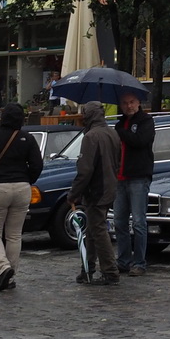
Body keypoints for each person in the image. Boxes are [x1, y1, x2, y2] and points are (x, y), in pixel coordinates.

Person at [0, 102, 43, 292]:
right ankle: (11, 274)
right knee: (14, 234)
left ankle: (2, 267)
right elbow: (37, 165)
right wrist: (26, 180)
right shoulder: (27, 139)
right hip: (22, 188)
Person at [69, 100, 122, 286]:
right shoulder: (112, 133)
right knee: (93, 229)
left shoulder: (91, 137)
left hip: (97, 190)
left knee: (97, 230)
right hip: (109, 187)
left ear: (88, 116)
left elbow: (85, 171)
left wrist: (74, 193)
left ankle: (110, 271)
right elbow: (117, 162)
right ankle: (88, 268)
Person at [114, 90, 157, 277]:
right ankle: (123, 260)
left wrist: (121, 133)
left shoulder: (146, 121)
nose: (128, 106)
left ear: (138, 103)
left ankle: (139, 262)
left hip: (138, 177)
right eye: (124, 103)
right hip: (120, 178)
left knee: (139, 222)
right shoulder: (119, 124)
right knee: (119, 222)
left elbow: (140, 141)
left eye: (131, 102)